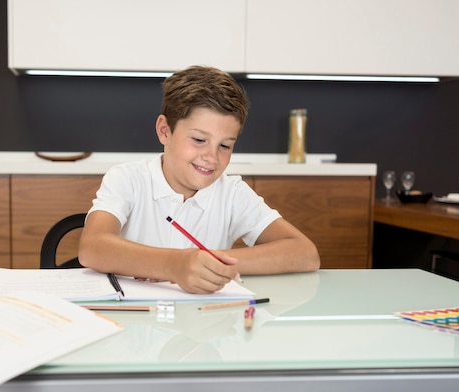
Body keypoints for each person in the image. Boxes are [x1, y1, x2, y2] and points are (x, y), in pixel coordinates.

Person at [79, 66, 320, 294]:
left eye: (225, 145)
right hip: (135, 325)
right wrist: (174, 264)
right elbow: (92, 247)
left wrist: (210, 261)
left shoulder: (232, 192)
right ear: (164, 131)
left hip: (202, 325)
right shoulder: (127, 179)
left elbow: (305, 253)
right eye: (199, 140)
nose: (211, 158)